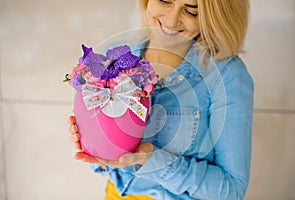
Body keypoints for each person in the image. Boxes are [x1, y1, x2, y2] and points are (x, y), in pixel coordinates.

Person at [68, 0, 254, 199]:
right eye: (165, 0)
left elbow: (232, 191)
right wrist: (95, 147)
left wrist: (152, 160)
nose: (172, 21)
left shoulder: (226, 76)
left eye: (191, 11)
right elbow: (109, 165)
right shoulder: (116, 55)